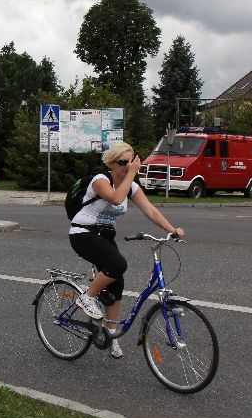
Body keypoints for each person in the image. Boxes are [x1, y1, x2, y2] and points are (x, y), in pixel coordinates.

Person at [69, 143, 185, 359]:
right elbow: (115, 198)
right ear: (112, 164)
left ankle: (111, 335)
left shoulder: (130, 185)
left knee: (117, 282)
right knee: (118, 264)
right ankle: (87, 297)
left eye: (130, 162)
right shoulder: (100, 180)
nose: (127, 166)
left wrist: (172, 230)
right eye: (122, 163)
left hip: (104, 236)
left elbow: (149, 209)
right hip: (82, 233)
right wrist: (132, 173)